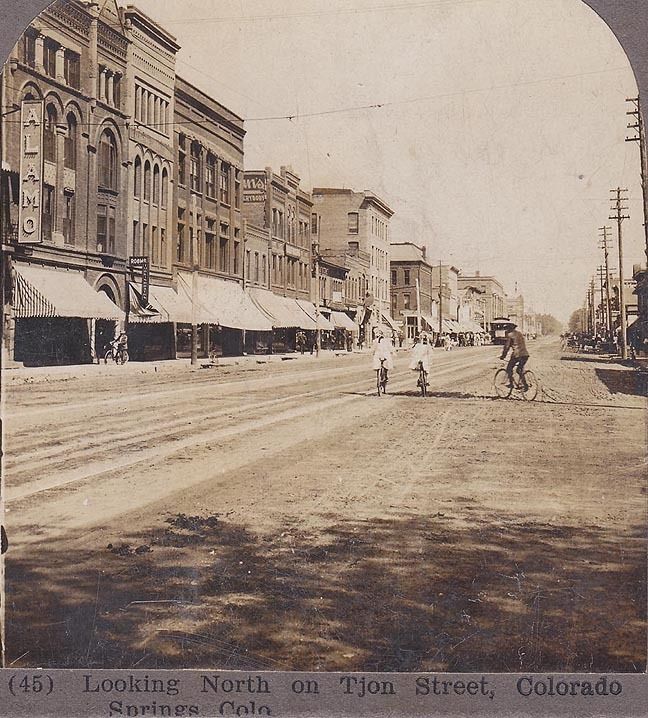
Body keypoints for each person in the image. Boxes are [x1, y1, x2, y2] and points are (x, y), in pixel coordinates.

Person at [500, 322, 530, 389]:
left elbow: (506, 347)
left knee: (509, 369)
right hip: (525, 354)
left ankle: (512, 384)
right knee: (519, 369)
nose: (506, 330)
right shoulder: (519, 333)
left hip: (517, 355)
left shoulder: (510, 335)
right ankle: (524, 384)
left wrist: (503, 356)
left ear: (509, 329)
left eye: (507, 328)